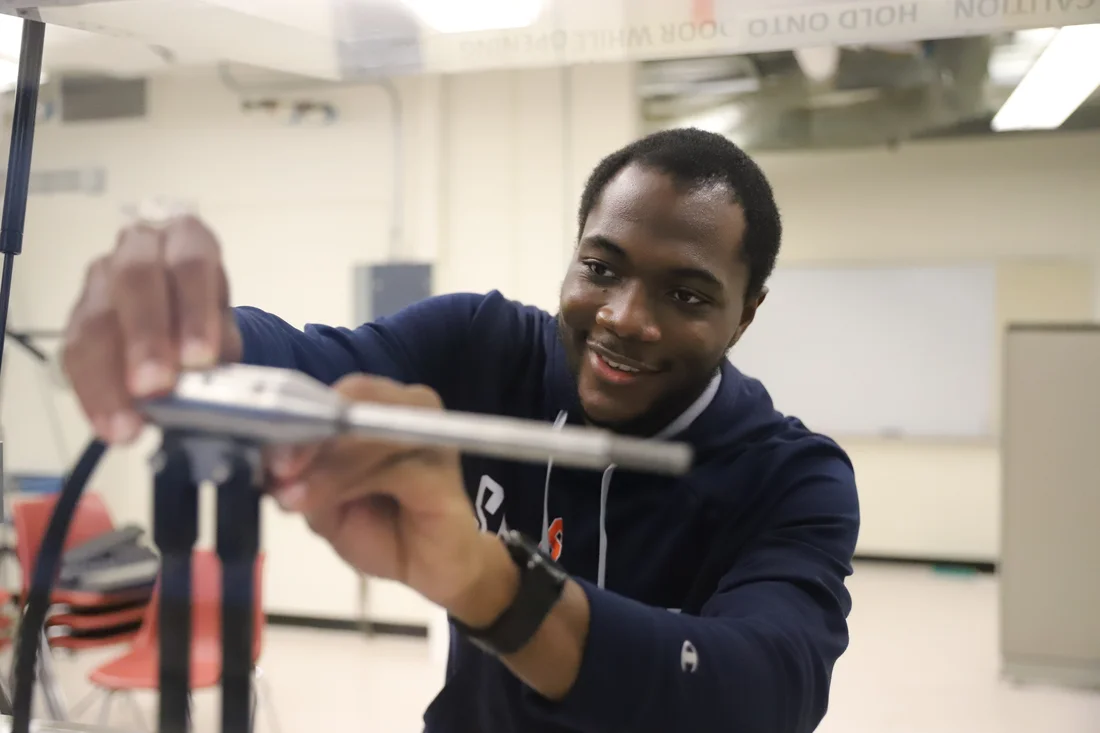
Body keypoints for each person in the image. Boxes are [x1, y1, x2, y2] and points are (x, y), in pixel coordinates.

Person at [61, 128, 860, 733]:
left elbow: (761, 689)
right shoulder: (483, 348)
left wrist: (492, 585)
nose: (623, 318)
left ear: (746, 312)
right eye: (602, 268)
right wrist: (200, 337)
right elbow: (318, 361)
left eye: (686, 295)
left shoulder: (793, 477)